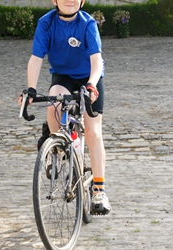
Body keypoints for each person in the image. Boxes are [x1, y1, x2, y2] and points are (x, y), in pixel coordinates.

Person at [18, 0, 111, 215]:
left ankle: (99, 191)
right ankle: (57, 145)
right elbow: (36, 58)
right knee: (54, 99)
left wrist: (91, 85)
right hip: (63, 76)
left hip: (90, 78)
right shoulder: (46, 23)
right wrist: (31, 89)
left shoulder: (87, 23)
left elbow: (97, 60)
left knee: (92, 132)